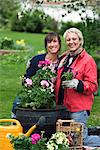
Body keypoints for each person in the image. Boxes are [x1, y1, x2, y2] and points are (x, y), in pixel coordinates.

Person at [55, 27, 100, 147]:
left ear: (80, 40)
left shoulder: (87, 60)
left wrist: (77, 84)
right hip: (63, 106)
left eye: (74, 39)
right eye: (68, 39)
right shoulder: (65, 59)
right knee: (65, 139)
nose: (71, 42)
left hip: (78, 108)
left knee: (80, 140)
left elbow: (93, 86)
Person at [12, 31, 61, 118]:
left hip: (51, 98)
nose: (52, 44)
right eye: (49, 42)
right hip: (35, 94)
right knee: (18, 103)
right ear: (46, 45)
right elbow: (27, 77)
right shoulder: (37, 60)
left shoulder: (62, 63)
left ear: (59, 44)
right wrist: (29, 84)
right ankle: (15, 123)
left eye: (55, 41)